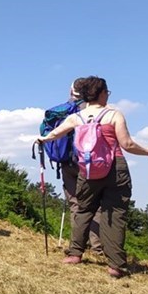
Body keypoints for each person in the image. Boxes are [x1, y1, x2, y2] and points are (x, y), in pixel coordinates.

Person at [36, 76, 148, 278]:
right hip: (115, 169)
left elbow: (55, 134)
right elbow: (127, 144)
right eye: (107, 92)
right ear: (102, 93)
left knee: (83, 209)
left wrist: (41, 139)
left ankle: (75, 254)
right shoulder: (113, 115)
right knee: (115, 214)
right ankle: (115, 265)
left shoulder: (77, 117)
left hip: (87, 169)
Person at [59, 79, 103, 255]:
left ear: (71, 91)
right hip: (88, 163)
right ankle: (97, 247)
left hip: (65, 162)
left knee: (75, 204)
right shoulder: (91, 110)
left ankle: (78, 244)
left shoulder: (61, 110)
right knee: (95, 204)